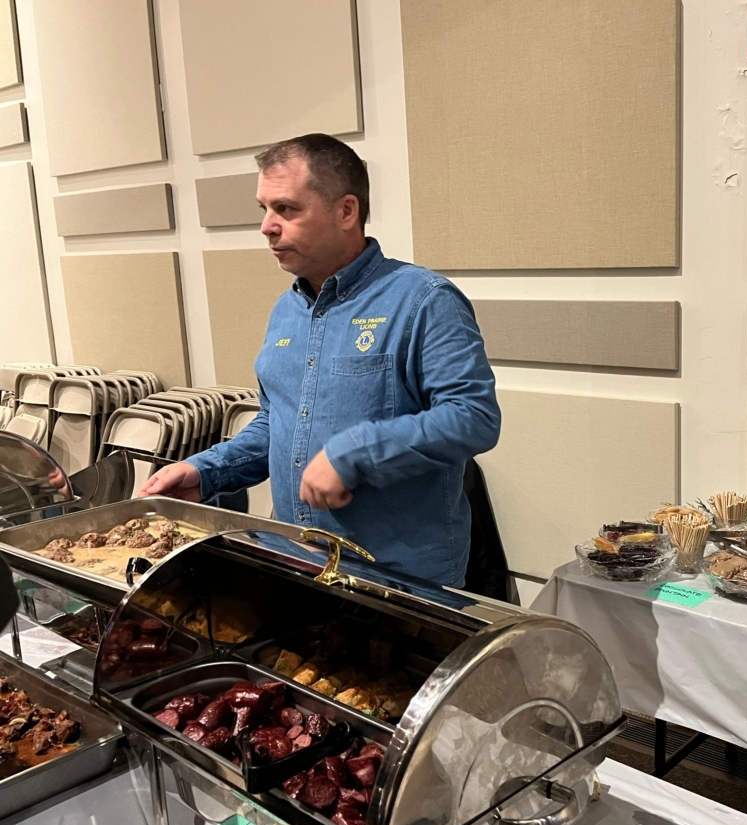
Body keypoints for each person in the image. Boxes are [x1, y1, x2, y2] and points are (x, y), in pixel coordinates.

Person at [141, 134, 501, 587]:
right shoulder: (287, 311)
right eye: (264, 209)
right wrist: (207, 471)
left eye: (287, 209)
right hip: (302, 564)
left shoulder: (424, 300)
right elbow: (279, 422)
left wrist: (356, 452)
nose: (267, 227)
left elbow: (473, 418)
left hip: (397, 581)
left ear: (345, 211)